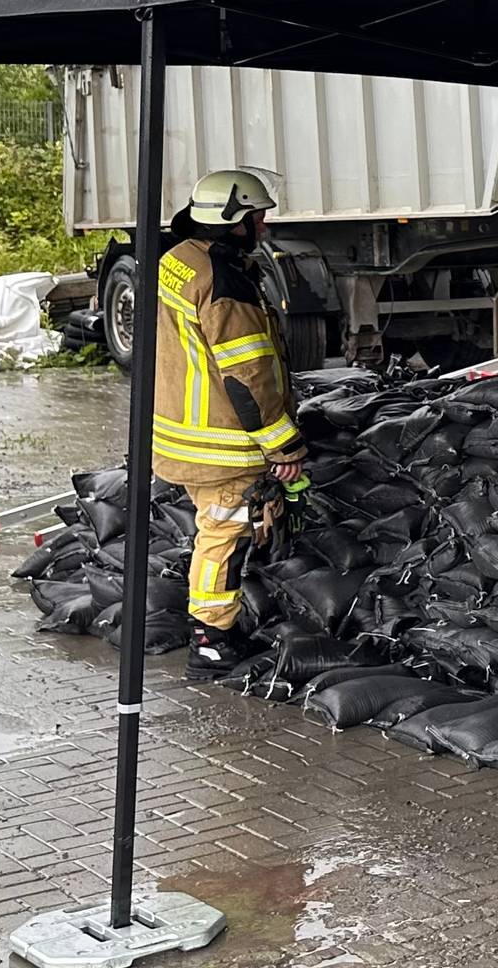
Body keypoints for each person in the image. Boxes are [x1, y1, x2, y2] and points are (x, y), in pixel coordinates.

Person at [150, 169, 307, 681]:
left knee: (215, 531)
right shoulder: (225, 280)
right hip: (224, 444)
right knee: (224, 535)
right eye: (257, 218)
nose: (263, 227)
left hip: (184, 433)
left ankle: (216, 626)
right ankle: (212, 641)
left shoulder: (177, 261)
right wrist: (284, 446)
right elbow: (247, 376)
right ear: (233, 220)